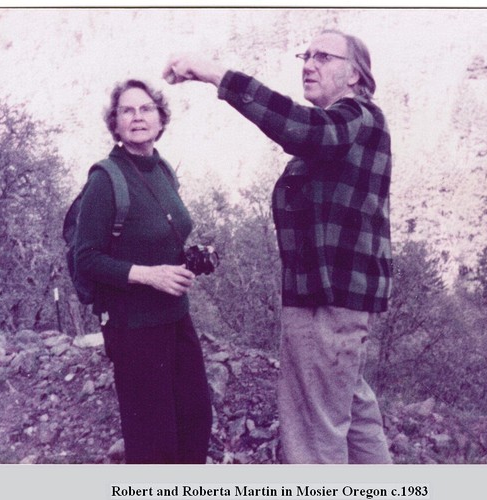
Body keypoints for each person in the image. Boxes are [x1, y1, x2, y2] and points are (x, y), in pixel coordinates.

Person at [162, 29, 393, 464]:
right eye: (306, 55)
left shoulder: (354, 118)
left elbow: (298, 127)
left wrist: (213, 73)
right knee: (353, 416)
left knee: (312, 438)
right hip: (337, 305)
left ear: (355, 75)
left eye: (323, 56)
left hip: (325, 305)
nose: (309, 64)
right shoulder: (349, 129)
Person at [74, 79, 212, 464]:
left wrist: (190, 260)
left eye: (146, 109)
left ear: (160, 118)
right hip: (133, 328)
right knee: (155, 442)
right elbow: (87, 258)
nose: (137, 117)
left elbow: (163, 234)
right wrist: (149, 275)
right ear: (115, 124)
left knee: (196, 420)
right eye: (127, 111)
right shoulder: (105, 179)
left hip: (176, 318)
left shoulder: (163, 170)